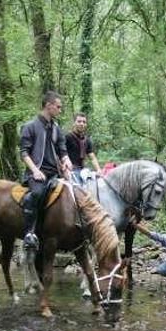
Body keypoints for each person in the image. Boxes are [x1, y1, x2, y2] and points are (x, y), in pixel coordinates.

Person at [20, 91, 73, 249]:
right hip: (36, 173)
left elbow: (62, 151)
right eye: (58, 107)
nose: (60, 110)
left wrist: (67, 162)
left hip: (54, 173)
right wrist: (35, 170)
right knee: (36, 194)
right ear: (48, 106)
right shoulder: (30, 126)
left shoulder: (57, 128)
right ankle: (29, 233)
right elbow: (24, 152)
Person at [64, 112, 101, 184]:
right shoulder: (67, 137)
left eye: (84, 122)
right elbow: (61, 155)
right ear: (74, 123)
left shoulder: (87, 140)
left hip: (83, 170)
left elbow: (92, 157)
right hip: (70, 171)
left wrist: (98, 170)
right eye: (79, 121)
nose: (82, 124)